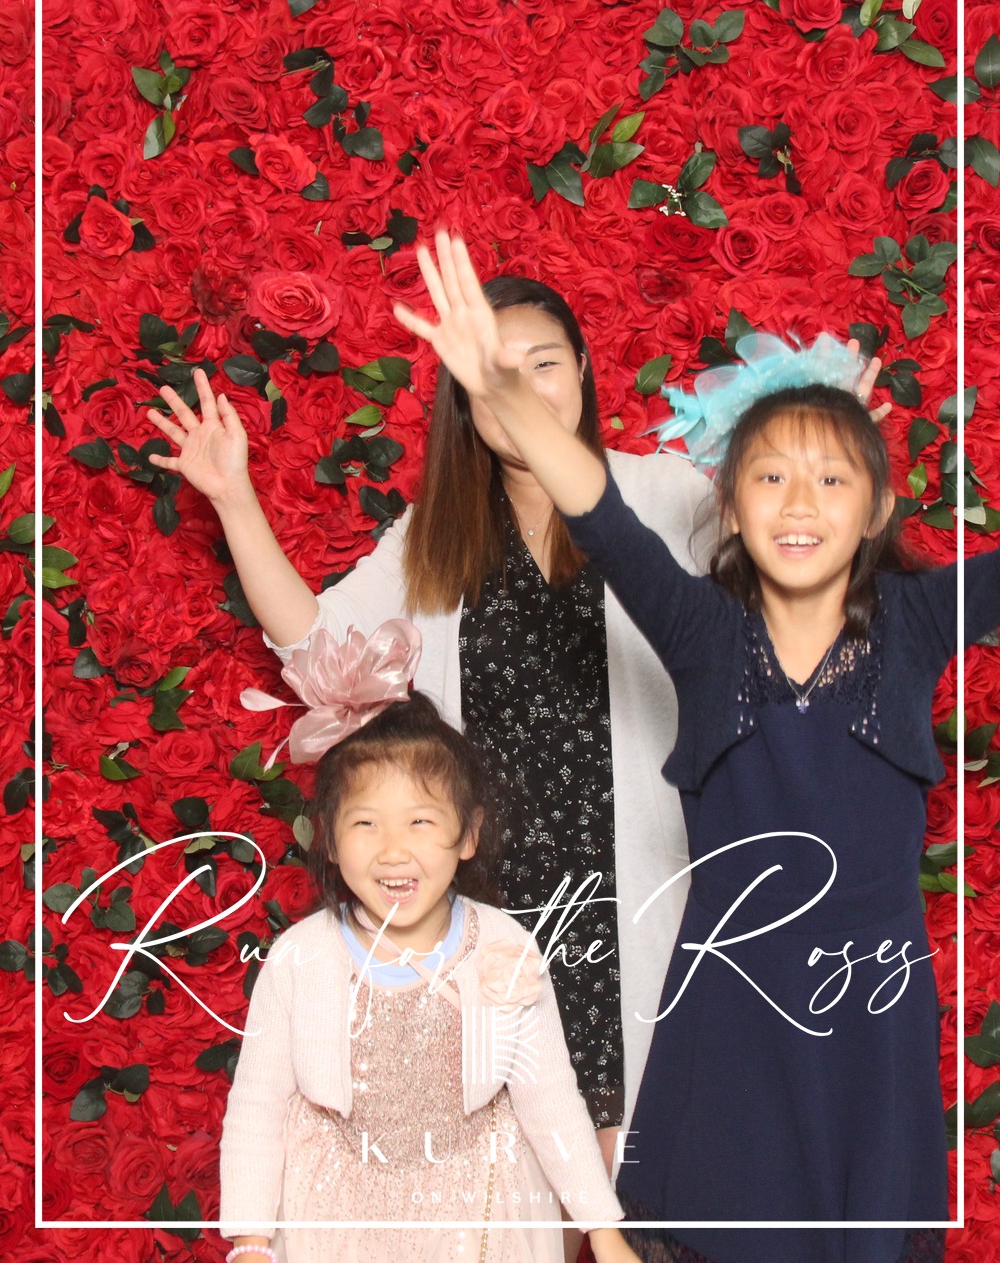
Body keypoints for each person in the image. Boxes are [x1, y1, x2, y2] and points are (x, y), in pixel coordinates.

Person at [395, 232, 1000, 1263]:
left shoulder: (913, 621)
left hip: (870, 1006)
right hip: (733, 1009)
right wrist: (510, 397)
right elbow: (601, 515)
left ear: (878, 508)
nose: (799, 503)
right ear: (729, 502)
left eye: (832, 479)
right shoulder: (704, 633)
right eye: (770, 476)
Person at [146, 268, 719, 1161]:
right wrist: (234, 499)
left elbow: (786, 583)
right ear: (464, 398)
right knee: (508, 1182)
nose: (523, 391)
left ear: (582, 371)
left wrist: (826, 456)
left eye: (544, 364)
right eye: (494, 374)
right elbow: (318, 653)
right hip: (494, 906)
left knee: (639, 1180)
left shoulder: (667, 495)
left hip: (643, 891)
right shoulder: (434, 535)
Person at [218, 619, 639, 1263]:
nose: (394, 850)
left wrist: (603, 1233)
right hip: (337, 1213)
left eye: (420, 821)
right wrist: (250, 1243)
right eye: (365, 824)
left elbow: (550, 1098)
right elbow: (258, 1106)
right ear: (329, 838)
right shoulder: (301, 957)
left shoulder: (502, 946)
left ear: (467, 834)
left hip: (475, 1214)